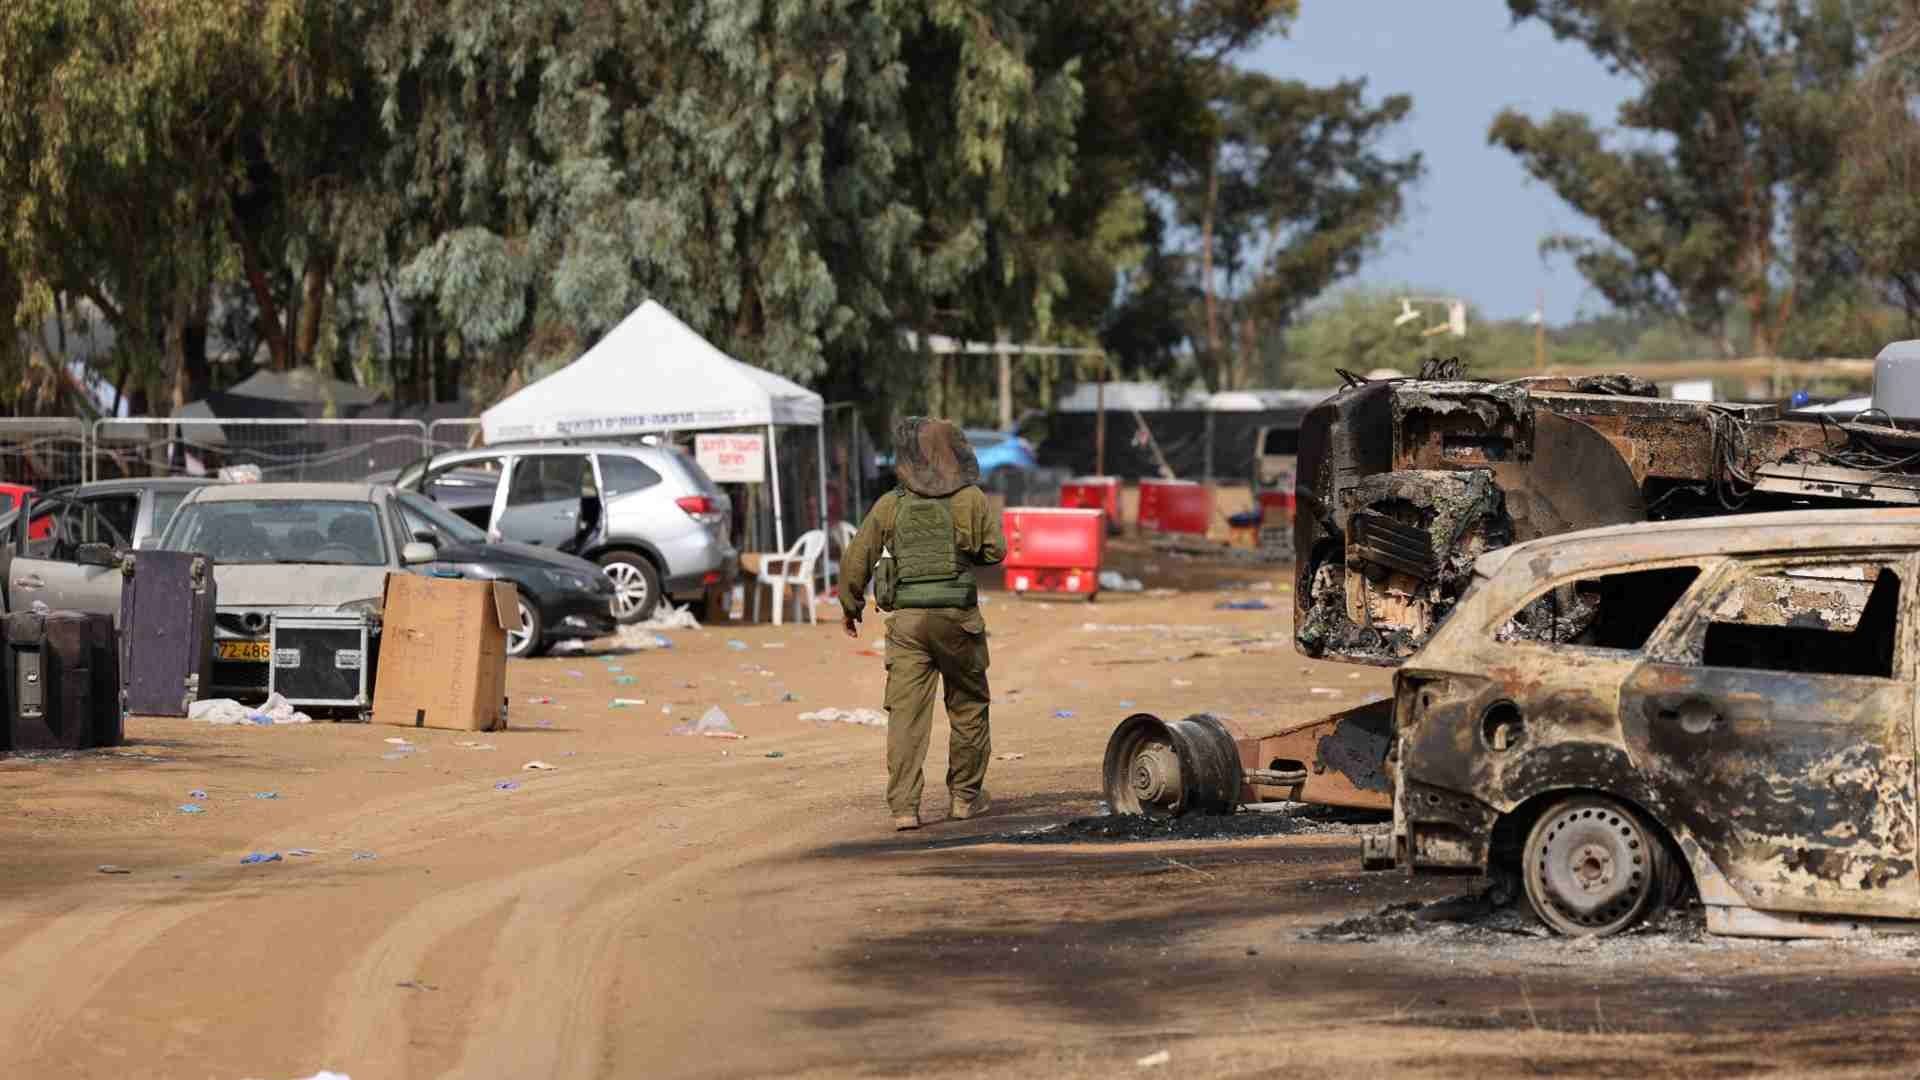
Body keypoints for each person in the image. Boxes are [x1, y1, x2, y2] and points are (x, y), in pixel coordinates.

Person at [840, 418, 1006, 830]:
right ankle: (965, 799)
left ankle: (905, 809)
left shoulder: (890, 503)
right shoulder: (971, 499)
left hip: (908, 625)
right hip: (958, 620)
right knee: (968, 707)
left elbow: (857, 558)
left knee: (906, 717)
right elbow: (995, 551)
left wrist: (851, 605)